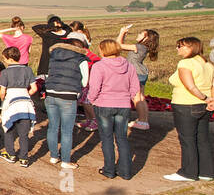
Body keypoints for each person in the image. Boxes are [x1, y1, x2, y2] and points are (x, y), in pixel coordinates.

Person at [164, 36, 214, 182]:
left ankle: (188, 172)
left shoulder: (185, 63)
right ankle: (206, 172)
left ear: (190, 47)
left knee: (187, 139)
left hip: (186, 105)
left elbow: (190, 86)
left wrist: (204, 98)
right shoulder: (208, 65)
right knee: (202, 139)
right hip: (204, 107)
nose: (177, 48)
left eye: (180, 46)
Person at [87, 39, 143, 180]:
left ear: (103, 50)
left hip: (104, 104)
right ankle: (125, 172)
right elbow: (135, 87)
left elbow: (94, 87)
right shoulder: (129, 66)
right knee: (122, 138)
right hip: (123, 105)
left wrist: (92, 100)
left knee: (107, 139)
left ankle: (109, 170)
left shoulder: (99, 66)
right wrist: (127, 97)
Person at [43, 35, 89, 169]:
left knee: (52, 127)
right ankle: (65, 160)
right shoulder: (81, 59)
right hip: (68, 96)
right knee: (67, 130)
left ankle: (53, 156)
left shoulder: (54, 56)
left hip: (51, 93)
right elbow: (85, 82)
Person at [0, 46, 36, 166]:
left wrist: (3, 102)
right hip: (25, 102)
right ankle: (24, 158)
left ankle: (11, 154)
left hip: (11, 101)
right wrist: (26, 95)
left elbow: (2, 91)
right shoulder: (28, 70)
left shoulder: (5, 72)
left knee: (8, 128)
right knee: (23, 133)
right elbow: (34, 88)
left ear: (8, 58)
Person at [118, 25, 158, 130]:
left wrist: (122, 32)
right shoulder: (143, 47)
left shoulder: (138, 47)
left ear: (147, 38)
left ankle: (142, 122)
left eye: (141, 34)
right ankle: (143, 120)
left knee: (136, 98)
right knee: (141, 97)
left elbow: (118, 45)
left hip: (135, 73)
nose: (138, 34)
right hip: (141, 73)